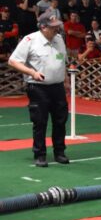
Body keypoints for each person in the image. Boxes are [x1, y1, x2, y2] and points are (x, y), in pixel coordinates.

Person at [8, 14, 70, 167]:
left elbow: (62, 60)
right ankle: (40, 154)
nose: (57, 28)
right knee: (40, 121)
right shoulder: (30, 40)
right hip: (38, 87)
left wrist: (66, 79)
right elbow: (13, 61)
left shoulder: (59, 39)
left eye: (57, 25)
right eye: (53, 26)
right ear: (43, 27)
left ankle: (59, 152)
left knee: (60, 120)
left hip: (57, 87)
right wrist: (32, 72)